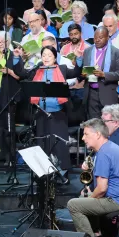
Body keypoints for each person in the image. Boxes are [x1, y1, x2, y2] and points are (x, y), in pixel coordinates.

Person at [67, 118, 119, 237]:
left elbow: (102, 189)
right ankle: (97, 235)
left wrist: (90, 199)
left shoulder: (104, 154)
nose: (83, 138)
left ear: (97, 134)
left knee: (74, 205)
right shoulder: (109, 147)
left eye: (86, 134)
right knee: (83, 199)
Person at [28, 46, 77, 177]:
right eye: (44, 55)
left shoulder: (62, 69)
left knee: (59, 143)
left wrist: (78, 59)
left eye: (49, 55)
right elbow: (22, 73)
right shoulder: (38, 70)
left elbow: (77, 72)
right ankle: (43, 172)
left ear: (55, 57)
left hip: (58, 113)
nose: (46, 58)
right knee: (42, 142)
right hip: (41, 113)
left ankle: (62, 172)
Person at [0, 31, 28, 165]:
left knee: (8, 127)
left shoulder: (13, 56)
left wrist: (9, 71)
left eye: (3, 42)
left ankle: (10, 157)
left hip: (7, 95)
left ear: (8, 43)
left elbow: (21, 75)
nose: (1, 44)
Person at [78, 27, 119, 119]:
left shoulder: (116, 52)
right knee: (94, 123)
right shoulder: (87, 51)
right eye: (95, 37)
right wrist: (83, 75)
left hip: (107, 93)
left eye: (100, 37)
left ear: (107, 37)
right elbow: (82, 71)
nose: (97, 40)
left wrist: (104, 74)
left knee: (109, 123)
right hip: (91, 93)